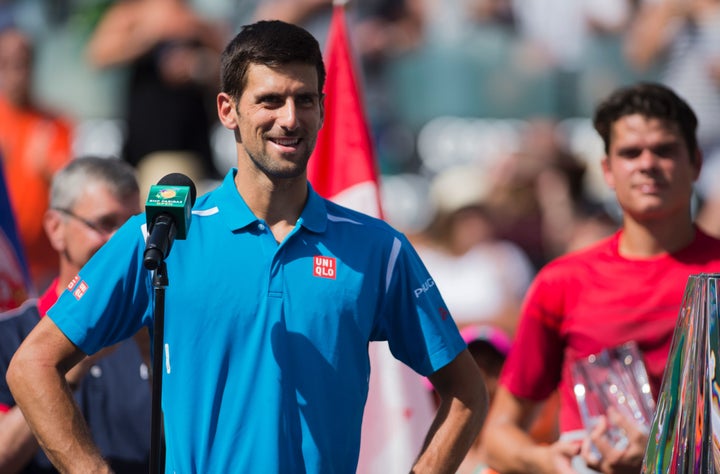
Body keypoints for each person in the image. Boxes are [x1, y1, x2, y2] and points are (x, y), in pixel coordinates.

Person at [7, 20, 487, 473]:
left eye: (305, 99)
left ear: (323, 108)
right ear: (227, 110)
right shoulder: (163, 234)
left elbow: (466, 390)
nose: (290, 118)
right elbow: (33, 365)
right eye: (270, 100)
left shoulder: (379, 250)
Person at [482, 82, 720, 474]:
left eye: (664, 149)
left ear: (695, 162)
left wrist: (662, 455)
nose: (647, 163)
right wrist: (548, 459)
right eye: (630, 153)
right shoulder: (562, 282)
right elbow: (498, 434)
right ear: (608, 170)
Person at [0, 156, 150, 473]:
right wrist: (60, 366)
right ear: (56, 229)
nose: (121, 242)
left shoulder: (153, 328)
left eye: (131, 226)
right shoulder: (9, 336)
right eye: (105, 223)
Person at [0, 25, 73, 290]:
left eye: (23, 63)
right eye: (8, 63)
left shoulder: (54, 124)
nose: (17, 72)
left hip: (45, 268)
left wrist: (48, 169)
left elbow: (73, 190)